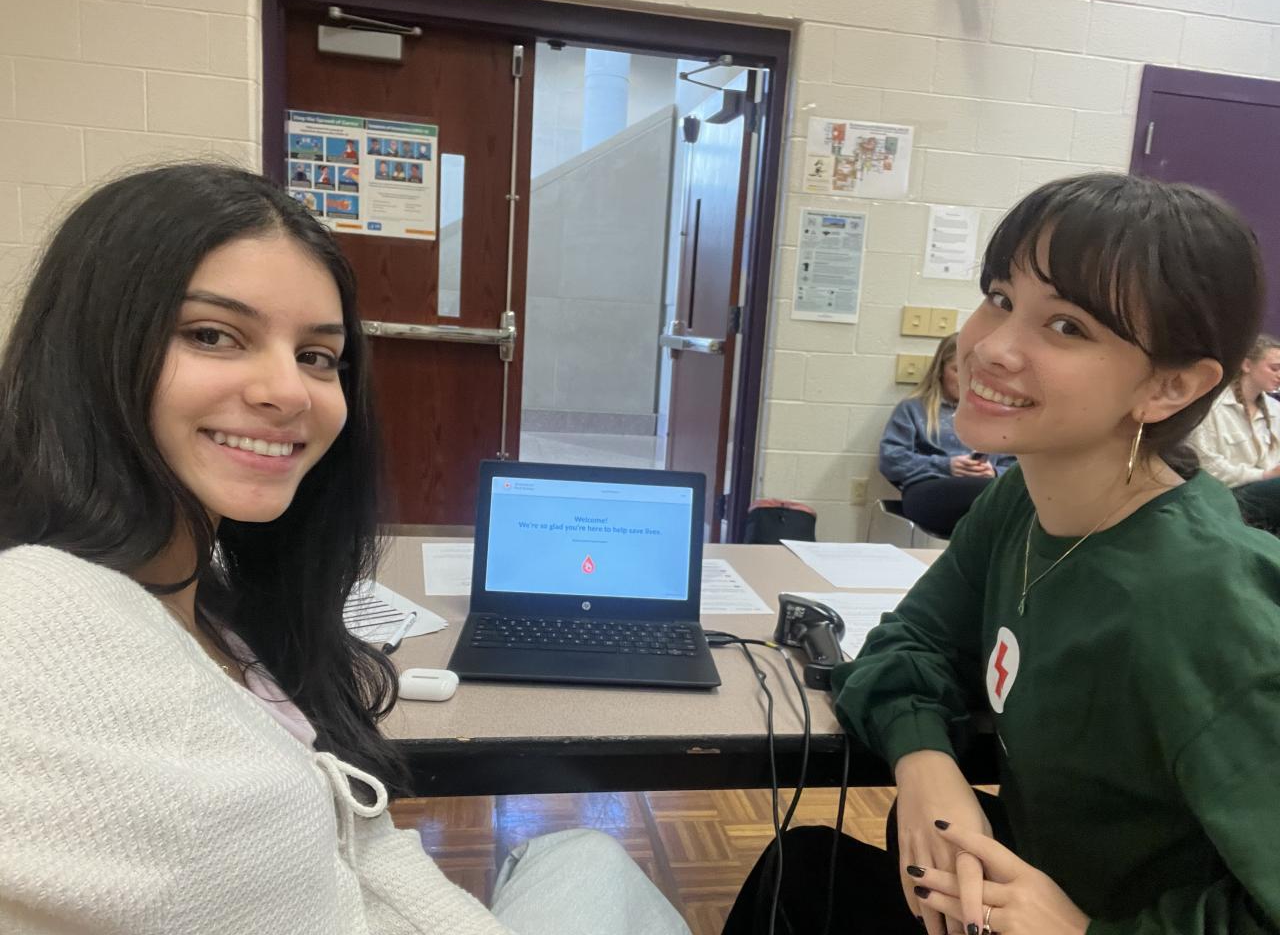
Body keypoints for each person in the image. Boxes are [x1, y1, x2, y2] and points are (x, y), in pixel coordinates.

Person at [0, 164, 690, 935]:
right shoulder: (36, 619)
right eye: (212, 335)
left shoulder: (215, 598)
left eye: (317, 356)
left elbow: (363, 846)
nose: (289, 391)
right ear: (87, 349)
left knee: (583, 852)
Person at [725, 173, 1280, 935]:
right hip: (1008, 892)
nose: (990, 347)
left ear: (1170, 387)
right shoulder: (1021, 501)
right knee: (796, 873)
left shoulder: (1204, 600)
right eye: (999, 297)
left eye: (1067, 326)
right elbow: (908, 644)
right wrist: (928, 769)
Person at [879, 333, 1015, 537]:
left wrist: (993, 472)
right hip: (929, 490)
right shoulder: (913, 409)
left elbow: (1017, 465)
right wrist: (946, 465)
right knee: (998, 496)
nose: (967, 379)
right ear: (940, 370)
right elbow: (890, 460)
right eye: (958, 370)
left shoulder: (999, 414)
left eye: (976, 372)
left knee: (1014, 495)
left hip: (987, 491)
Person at [1188, 333, 1280, 534]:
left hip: (1267, 492)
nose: (1279, 375)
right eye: (1274, 368)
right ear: (1247, 365)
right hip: (1225, 495)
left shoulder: (1275, 409)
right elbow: (1207, 467)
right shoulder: (1213, 406)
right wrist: (1264, 475)